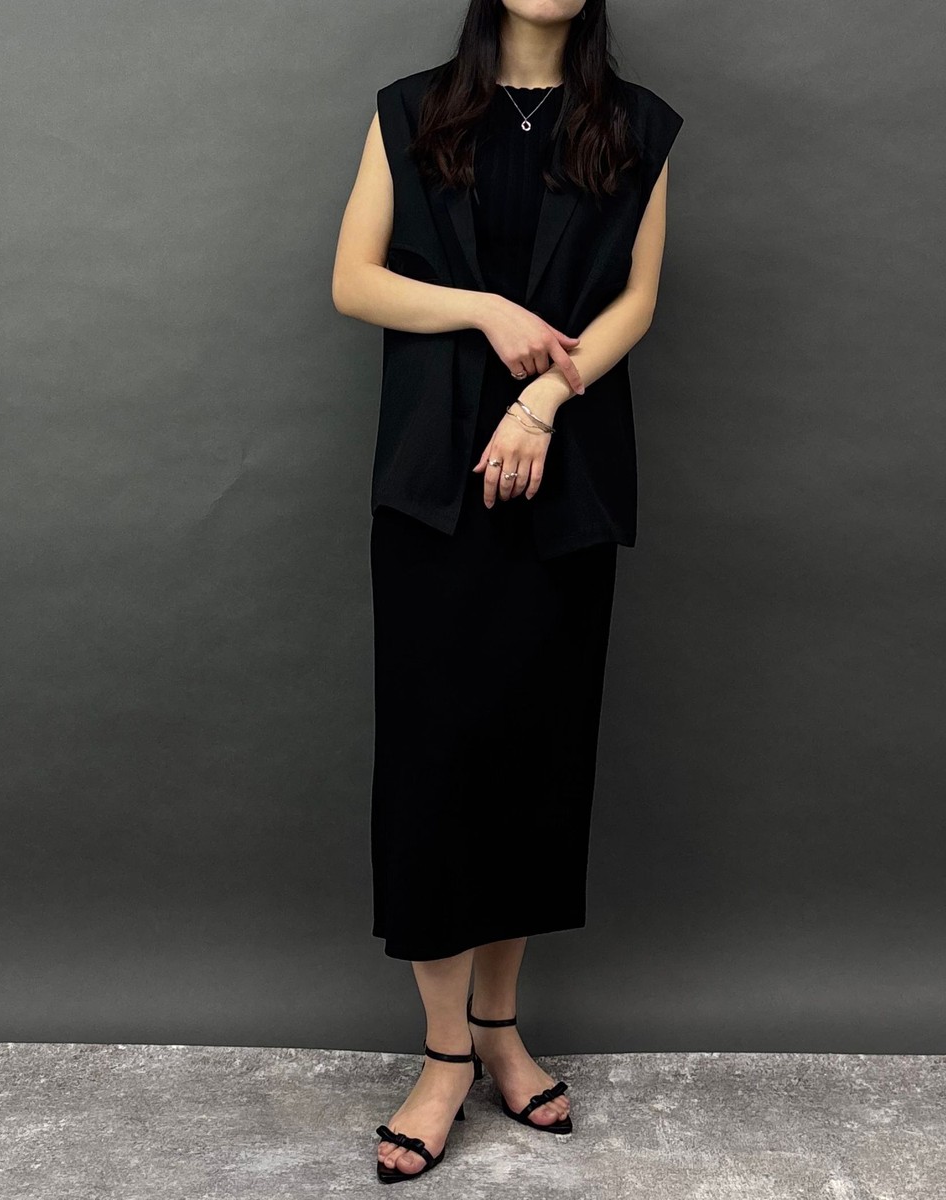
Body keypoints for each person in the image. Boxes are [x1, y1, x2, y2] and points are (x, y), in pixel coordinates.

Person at [332, 0, 683, 1183]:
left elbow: (635, 301)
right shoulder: (413, 111)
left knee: (535, 763)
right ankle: (442, 1057)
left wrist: (542, 399)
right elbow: (354, 281)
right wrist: (484, 309)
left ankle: (498, 1029)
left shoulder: (633, 125)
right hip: (431, 483)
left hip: (565, 477)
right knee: (434, 766)